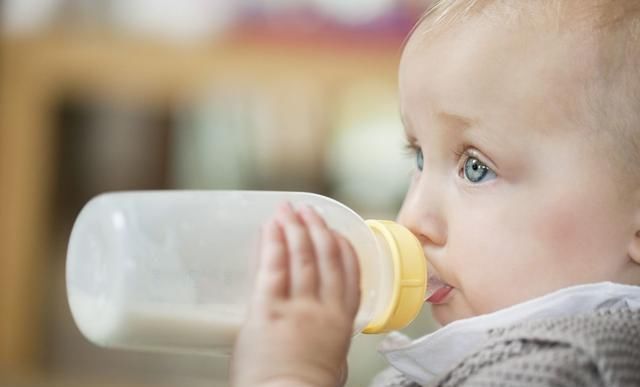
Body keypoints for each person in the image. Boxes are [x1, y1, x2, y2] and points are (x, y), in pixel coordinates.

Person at [230, 0, 640, 386]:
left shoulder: (566, 365)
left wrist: (291, 374)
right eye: (420, 158)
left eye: (476, 169)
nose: (412, 220)